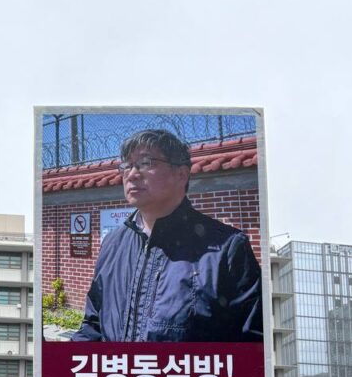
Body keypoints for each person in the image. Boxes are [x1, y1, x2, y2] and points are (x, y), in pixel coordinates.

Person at [70, 128, 263, 343]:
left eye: (146, 163)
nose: (132, 174)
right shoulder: (112, 243)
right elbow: (93, 325)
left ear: (181, 174)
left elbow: (252, 346)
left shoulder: (227, 249)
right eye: (127, 165)